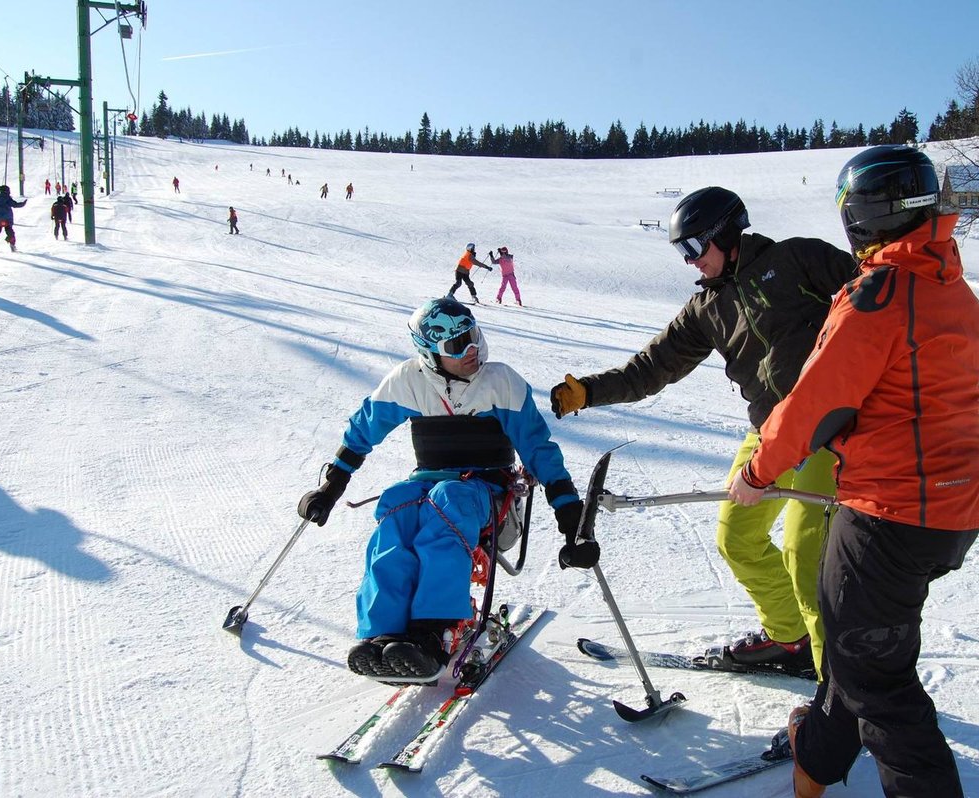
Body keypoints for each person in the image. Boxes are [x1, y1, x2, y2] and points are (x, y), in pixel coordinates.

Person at [729, 145, 979, 798]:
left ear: (865, 214)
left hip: (889, 513)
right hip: (951, 512)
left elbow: (817, 402)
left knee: (878, 682)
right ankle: (815, 758)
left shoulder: (880, 293)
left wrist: (758, 474)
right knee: (855, 647)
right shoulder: (947, 286)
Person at [549, 186, 856, 677]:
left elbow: (878, 301)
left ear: (726, 234)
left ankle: (839, 695)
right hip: (771, 433)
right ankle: (791, 639)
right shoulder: (705, 310)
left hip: (828, 431)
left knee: (807, 557)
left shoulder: (798, 259)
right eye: (681, 252)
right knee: (737, 537)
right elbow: (651, 368)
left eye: (694, 248)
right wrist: (588, 391)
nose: (691, 262)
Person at [296, 297, 595, 681]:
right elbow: (362, 429)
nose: (471, 350)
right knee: (396, 506)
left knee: (448, 501)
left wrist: (570, 514)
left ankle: (436, 630)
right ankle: (382, 635)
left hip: (488, 492)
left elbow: (539, 450)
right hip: (431, 483)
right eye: (456, 345)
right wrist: (331, 486)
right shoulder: (409, 381)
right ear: (430, 354)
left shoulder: (500, 382)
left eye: (472, 337)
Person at [0, 185, 27, 252]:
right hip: (7, 218)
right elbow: (15, 205)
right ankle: (12, 245)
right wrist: (23, 204)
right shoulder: (7, 198)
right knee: (9, 232)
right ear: (7, 191)